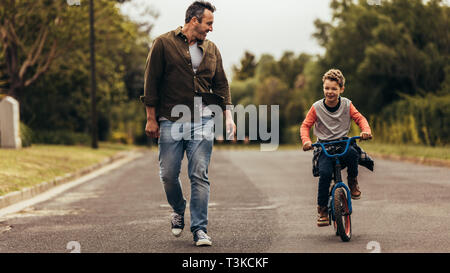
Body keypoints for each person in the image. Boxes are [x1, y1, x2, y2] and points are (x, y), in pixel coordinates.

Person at [140, 1, 235, 246]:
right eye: (209, 23)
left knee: (199, 175)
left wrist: (228, 116)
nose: (211, 29)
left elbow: (222, 84)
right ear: (194, 20)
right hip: (170, 119)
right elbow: (151, 82)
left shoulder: (212, 49)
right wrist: (151, 118)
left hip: (203, 120)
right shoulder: (163, 43)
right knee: (168, 174)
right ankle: (178, 208)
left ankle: (200, 229)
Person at [300, 69, 372, 227]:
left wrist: (366, 130)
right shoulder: (317, 107)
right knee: (325, 174)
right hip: (324, 145)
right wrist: (306, 141)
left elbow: (359, 118)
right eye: (327, 88)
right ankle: (323, 210)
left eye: (334, 88)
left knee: (353, 154)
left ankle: (352, 181)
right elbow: (305, 126)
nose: (330, 92)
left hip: (342, 143)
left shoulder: (347, 104)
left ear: (341, 89)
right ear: (323, 88)